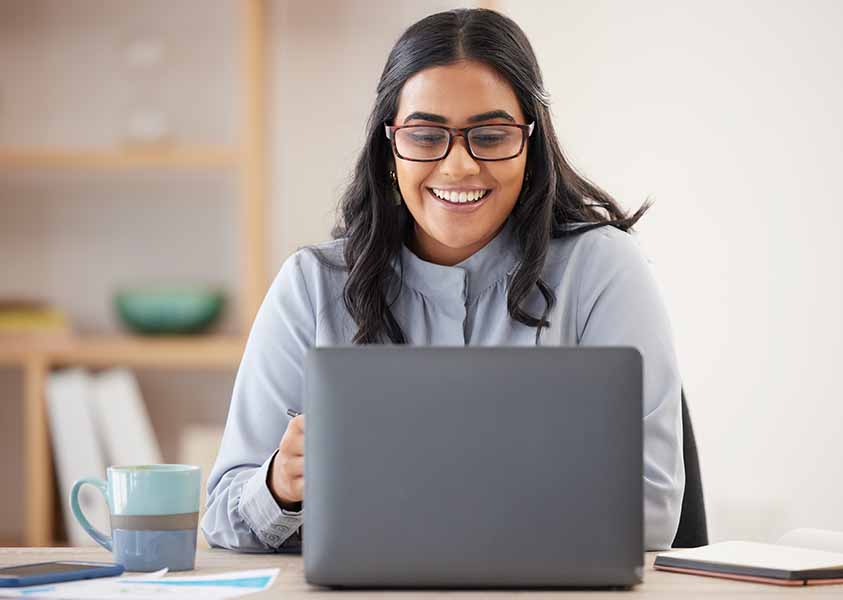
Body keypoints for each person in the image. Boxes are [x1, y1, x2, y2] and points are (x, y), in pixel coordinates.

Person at [202, 7, 684, 553]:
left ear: (531, 145)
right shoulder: (311, 285)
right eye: (427, 135)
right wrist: (279, 487)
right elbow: (222, 514)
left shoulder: (601, 270)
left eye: (492, 134)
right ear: (390, 148)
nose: (458, 167)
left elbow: (652, 508)